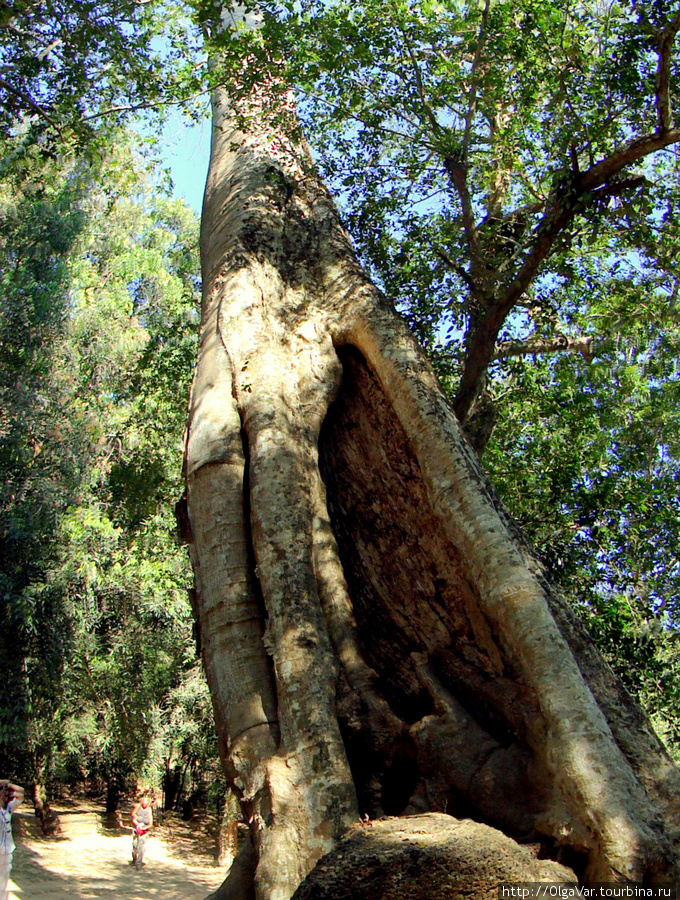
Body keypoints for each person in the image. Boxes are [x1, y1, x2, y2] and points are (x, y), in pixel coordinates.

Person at [0, 780, 24, 900]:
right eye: (2, 790)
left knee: (2, 886)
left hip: (6, 854)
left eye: (5, 791)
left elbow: (20, 793)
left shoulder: (8, 808)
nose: (4, 792)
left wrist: (8, 785)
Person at [130, 794, 153, 870]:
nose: (144, 805)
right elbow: (133, 815)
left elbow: (150, 824)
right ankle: (134, 859)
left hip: (144, 829)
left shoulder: (149, 810)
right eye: (143, 803)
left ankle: (139, 862)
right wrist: (137, 823)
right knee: (135, 845)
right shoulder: (138, 807)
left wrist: (144, 828)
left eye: (146, 804)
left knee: (141, 846)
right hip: (136, 827)